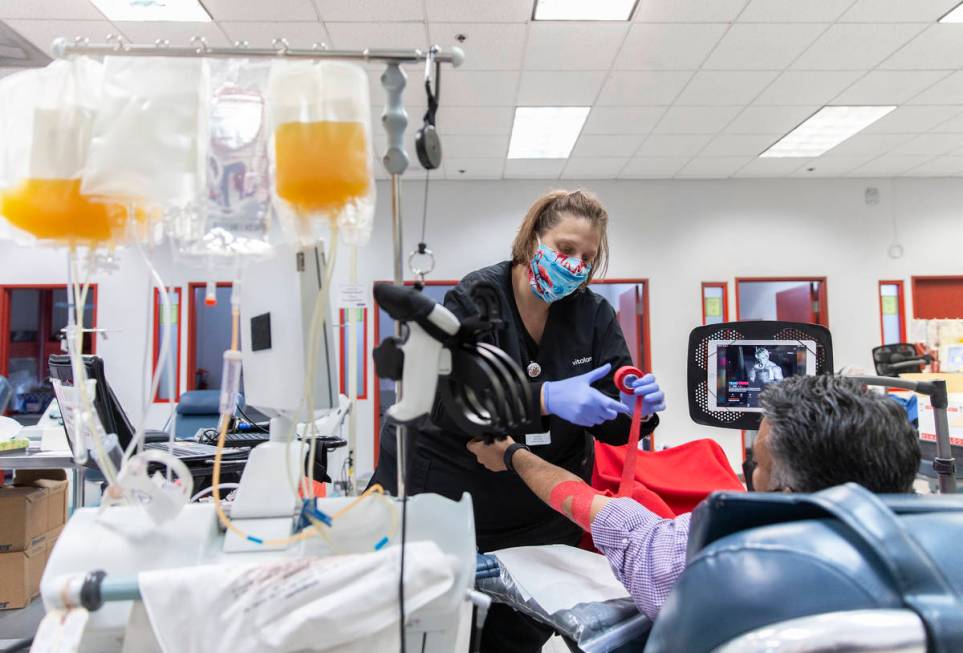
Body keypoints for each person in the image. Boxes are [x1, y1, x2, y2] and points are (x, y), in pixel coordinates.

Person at [370, 189, 666, 652]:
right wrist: (544, 396)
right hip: (458, 493)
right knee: (446, 633)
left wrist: (637, 414)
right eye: (565, 249)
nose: (575, 264)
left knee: (515, 638)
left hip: (541, 511)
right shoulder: (478, 296)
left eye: (587, 257)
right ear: (533, 241)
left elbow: (608, 419)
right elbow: (447, 402)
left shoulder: (593, 314)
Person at [468, 375, 921, 620]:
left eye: (757, 465)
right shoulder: (932, 559)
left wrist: (510, 453)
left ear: (786, 492)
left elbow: (584, 504)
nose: (748, 477)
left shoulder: (708, 554)